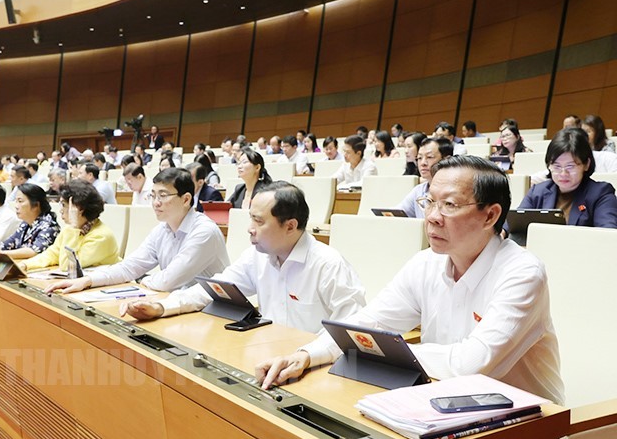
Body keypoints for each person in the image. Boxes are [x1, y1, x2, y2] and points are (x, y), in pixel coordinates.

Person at [255, 156, 564, 404]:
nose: (432, 216)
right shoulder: (425, 263)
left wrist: (385, 352)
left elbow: (472, 364)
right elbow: (366, 323)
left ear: (490, 216)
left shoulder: (522, 273)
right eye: (429, 202)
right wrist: (306, 355)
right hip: (440, 401)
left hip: (527, 423)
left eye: (449, 205)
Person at [117, 181, 366, 334]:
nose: (249, 229)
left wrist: (306, 355)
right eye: (250, 219)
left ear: (290, 226)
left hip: (312, 365)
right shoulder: (256, 257)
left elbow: (353, 330)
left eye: (258, 221)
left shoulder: (328, 265)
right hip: (268, 352)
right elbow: (211, 290)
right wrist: (162, 307)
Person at [46, 168, 230, 295]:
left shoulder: (204, 232)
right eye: (153, 195)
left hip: (211, 310)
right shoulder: (162, 230)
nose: (155, 202)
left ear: (186, 199)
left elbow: (168, 281)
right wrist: (87, 281)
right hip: (175, 302)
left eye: (163, 196)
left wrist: (140, 280)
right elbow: (129, 266)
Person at [518, 128, 617, 228]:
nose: (563, 173)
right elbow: (515, 226)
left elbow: (607, 232)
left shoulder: (601, 194)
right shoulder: (537, 192)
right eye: (557, 166)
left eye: (570, 166)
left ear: (586, 164)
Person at [19, 180, 121, 272]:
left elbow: (68, 266)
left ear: (79, 208)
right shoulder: (70, 229)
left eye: (64, 205)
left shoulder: (101, 236)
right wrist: (25, 265)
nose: (61, 210)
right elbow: (52, 254)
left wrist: (73, 227)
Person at [396, 136, 454, 217]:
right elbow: (397, 213)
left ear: (446, 160)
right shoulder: (418, 191)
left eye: (429, 157)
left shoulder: (455, 191)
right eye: (419, 158)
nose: (423, 163)